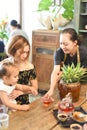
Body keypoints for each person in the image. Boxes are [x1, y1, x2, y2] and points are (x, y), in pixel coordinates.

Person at [44, 28, 87, 98]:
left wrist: (64, 73)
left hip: (83, 84)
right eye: (61, 43)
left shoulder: (84, 53)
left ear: (75, 43)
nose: (63, 47)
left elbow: (82, 71)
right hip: (67, 84)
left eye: (66, 44)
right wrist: (51, 89)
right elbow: (55, 72)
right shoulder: (59, 52)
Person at [1, 30, 38, 105]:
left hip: (23, 103)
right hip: (4, 103)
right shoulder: (3, 64)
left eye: (27, 52)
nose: (25, 55)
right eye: (21, 52)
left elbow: (35, 88)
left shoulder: (30, 67)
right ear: (13, 50)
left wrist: (19, 92)